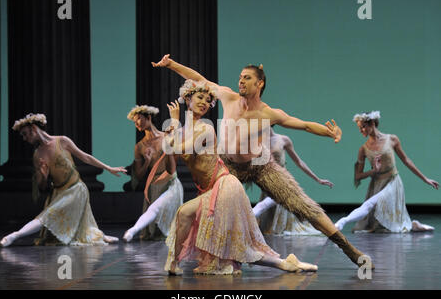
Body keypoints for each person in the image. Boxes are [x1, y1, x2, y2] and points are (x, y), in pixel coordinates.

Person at [152, 54, 371, 268]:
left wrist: (330, 132)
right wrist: (171, 64)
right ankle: (228, 257)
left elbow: (303, 124)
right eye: (240, 77)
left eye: (247, 77)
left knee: (304, 206)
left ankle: (349, 249)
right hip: (228, 169)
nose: (241, 81)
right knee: (211, 213)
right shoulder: (228, 97)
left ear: (260, 83)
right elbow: (200, 79)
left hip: (261, 166)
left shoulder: (269, 113)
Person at [163, 79, 318, 275]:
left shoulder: (206, 129)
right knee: (237, 245)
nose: (204, 101)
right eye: (199, 97)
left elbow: (180, 148)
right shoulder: (182, 132)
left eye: (208, 99)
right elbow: (170, 168)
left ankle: (174, 264)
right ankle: (284, 264)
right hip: (211, 190)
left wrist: (173, 125)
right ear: (187, 98)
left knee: (184, 213)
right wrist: (172, 133)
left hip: (225, 185)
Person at [0, 113, 126, 247]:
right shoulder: (38, 155)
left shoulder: (62, 141)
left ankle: (15, 235)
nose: (25, 138)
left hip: (76, 189)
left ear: (34, 128)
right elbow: (41, 186)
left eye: (25, 134)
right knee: (51, 219)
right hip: (58, 193)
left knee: (47, 217)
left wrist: (108, 168)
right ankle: (100, 235)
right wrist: (43, 175)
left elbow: (85, 157)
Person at [335, 111, 438, 233]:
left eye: (363, 126)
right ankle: (413, 225)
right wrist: (373, 171)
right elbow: (358, 175)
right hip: (377, 184)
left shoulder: (392, 139)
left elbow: (406, 160)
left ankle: (342, 222)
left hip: (393, 183)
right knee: (382, 222)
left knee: (369, 204)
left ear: (372, 123)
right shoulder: (363, 149)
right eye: (359, 128)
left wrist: (425, 179)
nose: (361, 130)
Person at [254, 127, 333, 235]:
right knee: (265, 211)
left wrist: (317, 179)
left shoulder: (283, 139)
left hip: (282, 179)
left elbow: (299, 162)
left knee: (265, 205)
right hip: (268, 180)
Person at [123, 105, 184, 242]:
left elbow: (175, 159)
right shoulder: (140, 146)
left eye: (139, 119)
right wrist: (147, 161)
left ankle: (132, 231)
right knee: (154, 228)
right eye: (134, 121)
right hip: (154, 185)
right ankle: (133, 231)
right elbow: (138, 175)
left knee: (161, 216)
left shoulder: (165, 137)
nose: (136, 123)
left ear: (148, 118)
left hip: (170, 183)